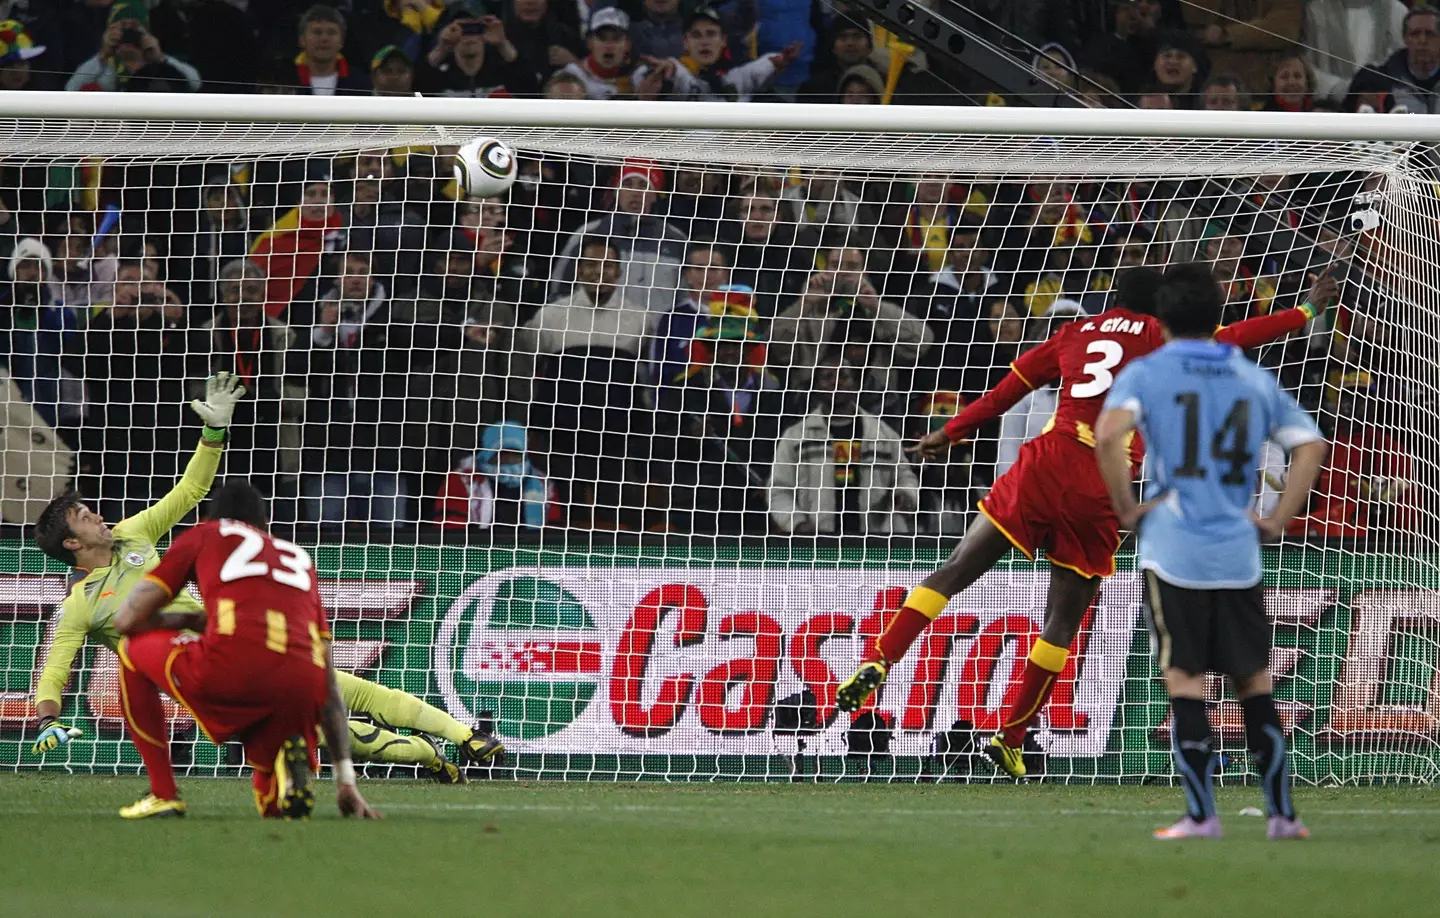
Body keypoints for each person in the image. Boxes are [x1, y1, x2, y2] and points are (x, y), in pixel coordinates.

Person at [832, 265, 1338, 779]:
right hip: (1101, 477)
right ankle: (1010, 736)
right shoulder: (1166, 338)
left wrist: (952, 432)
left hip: (1044, 461)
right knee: (1063, 619)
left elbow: (1007, 390)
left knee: (956, 568)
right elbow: (1242, 335)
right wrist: (1309, 309)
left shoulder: (1074, 332)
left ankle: (880, 657)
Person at [27, 376, 504, 796]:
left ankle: (466, 737)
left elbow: (190, 491)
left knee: (342, 690)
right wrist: (48, 718)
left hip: (238, 643)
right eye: (86, 517)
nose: (99, 516)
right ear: (71, 542)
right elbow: (55, 669)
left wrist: (214, 433)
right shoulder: (81, 605)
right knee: (324, 725)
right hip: (214, 686)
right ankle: (426, 754)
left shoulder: (135, 532)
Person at [1094, 262, 1326, 840]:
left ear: (1161, 319)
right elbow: (1309, 445)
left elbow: (1106, 435)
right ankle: (1283, 815)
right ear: (1218, 315)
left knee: (1184, 679)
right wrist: (1276, 520)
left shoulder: (1147, 372)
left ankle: (1202, 816)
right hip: (1237, 549)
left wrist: (1127, 508)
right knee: (1255, 683)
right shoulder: (1251, 378)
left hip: (1172, 547)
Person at [110, 481, 379, 820]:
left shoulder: (203, 535)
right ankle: (283, 769)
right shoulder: (298, 558)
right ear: (265, 526)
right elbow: (328, 681)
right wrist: (346, 781)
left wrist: (188, 619)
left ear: (213, 517)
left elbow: (126, 619)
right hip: (302, 685)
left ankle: (164, 794)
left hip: (233, 667)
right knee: (272, 808)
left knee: (131, 649)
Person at [769, 355, 919, 536]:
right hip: (817, 542)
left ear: (855, 385)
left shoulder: (883, 435)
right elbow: (778, 490)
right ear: (816, 386)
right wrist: (797, 523)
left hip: (873, 541)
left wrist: (905, 495)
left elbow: (904, 476)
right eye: (827, 377)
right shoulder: (796, 437)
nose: (836, 383)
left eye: (844, 376)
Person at [632, 7, 800, 102]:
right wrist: (658, 74)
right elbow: (670, 73)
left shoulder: (735, 77)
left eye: (711, 34)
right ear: (685, 42)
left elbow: (756, 71)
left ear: (723, 40)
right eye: (696, 35)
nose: (704, 41)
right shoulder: (677, 72)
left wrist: (777, 63)